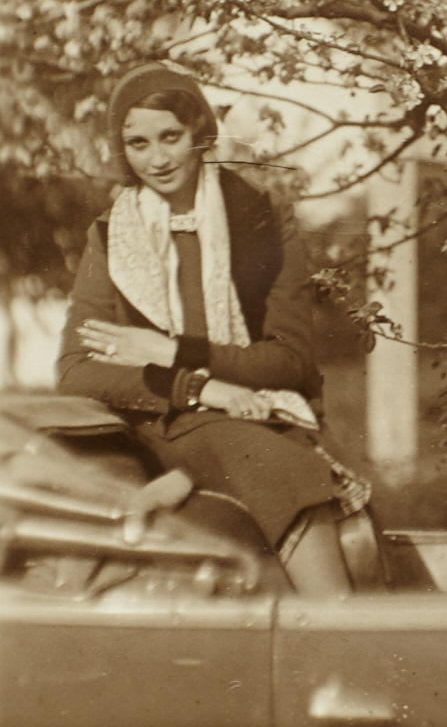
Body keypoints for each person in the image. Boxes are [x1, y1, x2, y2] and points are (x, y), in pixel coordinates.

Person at [58, 61, 370, 594]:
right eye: (137, 143)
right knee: (255, 450)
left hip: (257, 406)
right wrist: (201, 387)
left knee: (264, 448)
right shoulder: (111, 234)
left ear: (200, 133)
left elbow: (289, 360)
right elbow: (76, 372)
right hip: (159, 416)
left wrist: (170, 348)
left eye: (170, 138)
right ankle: (335, 620)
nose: (156, 159)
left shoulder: (262, 218)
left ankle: (337, 624)